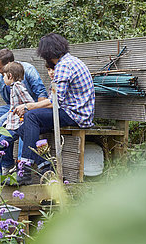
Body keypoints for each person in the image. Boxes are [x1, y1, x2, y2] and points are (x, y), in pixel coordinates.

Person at [14, 33, 95, 185]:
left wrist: (28, 106)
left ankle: (24, 169)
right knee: (24, 127)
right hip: (74, 111)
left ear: (47, 53)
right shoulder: (71, 61)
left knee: (31, 116)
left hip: (76, 114)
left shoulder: (63, 66)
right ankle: (45, 166)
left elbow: (55, 102)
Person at [0, 62, 34, 182]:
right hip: (11, 126)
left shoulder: (18, 87)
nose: (3, 78)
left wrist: (24, 110)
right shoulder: (14, 87)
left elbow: (30, 102)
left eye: (4, 76)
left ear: (10, 76)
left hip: (16, 127)